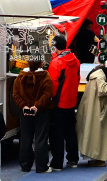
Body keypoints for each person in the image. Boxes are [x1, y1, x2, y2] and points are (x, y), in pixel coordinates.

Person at [13, 59, 55, 174]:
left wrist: (23, 106)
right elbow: (47, 94)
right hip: (41, 111)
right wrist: (37, 106)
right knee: (41, 137)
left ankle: (25, 165)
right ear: (41, 63)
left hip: (25, 111)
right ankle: (41, 166)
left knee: (26, 138)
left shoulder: (21, 77)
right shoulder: (45, 76)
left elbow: (15, 93)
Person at [47, 35, 81, 169]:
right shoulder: (76, 60)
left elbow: (52, 84)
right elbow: (77, 79)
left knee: (57, 134)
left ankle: (57, 163)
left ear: (55, 47)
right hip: (71, 100)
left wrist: (51, 100)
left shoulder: (56, 62)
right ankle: (73, 159)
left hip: (58, 102)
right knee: (70, 131)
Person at [76, 58, 107, 167]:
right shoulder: (99, 76)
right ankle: (96, 157)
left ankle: (93, 156)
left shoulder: (97, 74)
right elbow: (103, 90)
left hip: (93, 107)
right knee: (96, 132)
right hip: (96, 108)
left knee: (91, 131)